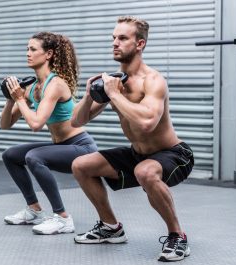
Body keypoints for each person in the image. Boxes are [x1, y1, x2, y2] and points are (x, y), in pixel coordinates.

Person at [71, 16, 194, 262]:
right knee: (81, 165)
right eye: (113, 38)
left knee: (145, 172)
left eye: (122, 38)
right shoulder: (116, 82)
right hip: (138, 154)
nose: (115, 43)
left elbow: (148, 123)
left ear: (140, 44)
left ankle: (177, 236)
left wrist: (114, 95)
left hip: (174, 154)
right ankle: (111, 227)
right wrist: (87, 96)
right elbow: (77, 121)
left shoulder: (153, 80)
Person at [0, 32, 97, 235]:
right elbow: (5, 124)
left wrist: (19, 99)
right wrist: (11, 99)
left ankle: (63, 218)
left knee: (34, 157)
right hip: (61, 146)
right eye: (27, 49)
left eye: (33, 49)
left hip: (80, 147)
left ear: (48, 54)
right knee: (10, 155)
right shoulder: (33, 87)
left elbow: (35, 124)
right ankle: (34, 210)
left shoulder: (56, 85)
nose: (27, 53)